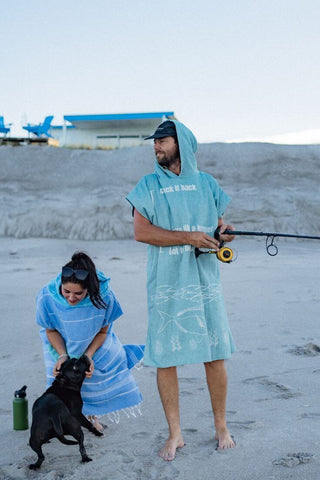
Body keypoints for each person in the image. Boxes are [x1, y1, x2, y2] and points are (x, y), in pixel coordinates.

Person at [126, 120, 236, 460]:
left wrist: (225, 234)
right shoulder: (148, 185)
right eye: (154, 141)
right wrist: (188, 237)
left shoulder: (207, 184)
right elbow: (142, 232)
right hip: (167, 285)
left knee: (215, 356)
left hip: (205, 285)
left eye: (162, 140)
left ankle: (221, 426)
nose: (156, 146)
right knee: (166, 359)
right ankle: (176, 433)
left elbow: (220, 228)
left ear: (183, 144)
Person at [36, 251, 144, 432]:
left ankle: (92, 418)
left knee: (91, 380)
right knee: (59, 381)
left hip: (94, 341)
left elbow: (103, 332)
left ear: (89, 289)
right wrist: (63, 355)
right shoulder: (47, 296)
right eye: (66, 291)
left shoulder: (105, 297)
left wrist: (88, 356)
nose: (71, 298)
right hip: (60, 343)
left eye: (78, 293)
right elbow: (50, 329)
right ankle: (61, 419)